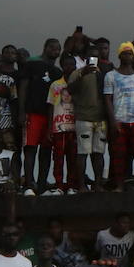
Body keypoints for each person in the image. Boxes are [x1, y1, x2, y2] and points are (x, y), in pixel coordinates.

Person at [103, 42, 134, 189]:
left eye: (130, 53)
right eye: (124, 53)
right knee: (119, 155)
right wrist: (113, 121)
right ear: (119, 55)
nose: (127, 56)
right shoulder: (111, 76)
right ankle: (119, 185)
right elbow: (107, 100)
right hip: (120, 120)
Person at [18, 38, 62, 194]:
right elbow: (23, 87)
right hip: (32, 113)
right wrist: (22, 111)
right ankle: (30, 183)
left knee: (46, 150)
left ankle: (42, 184)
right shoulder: (31, 64)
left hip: (50, 116)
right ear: (45, 47)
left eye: (58, 49)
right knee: (30, 148)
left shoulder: (58, 72)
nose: (55, 51)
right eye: (52, 48)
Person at [68, 56, 106, 191]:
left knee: (99, 153)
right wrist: (83, 74)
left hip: (101, 119)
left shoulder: (103, 72)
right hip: (83, 118)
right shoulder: (77, 73)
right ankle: (82, 185)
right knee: (82, 153)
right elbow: (70, 90)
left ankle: (98, 184)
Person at [45, 53, 79, 194]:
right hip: (58, 127)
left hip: (74, 127)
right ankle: (59, 185)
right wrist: (49, 128)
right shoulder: (55, 85)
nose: (69, 67)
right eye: (66, 64)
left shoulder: (78, 84)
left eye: (72, 64)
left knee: (73, 158)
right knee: (58, 158)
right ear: (62, 66)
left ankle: (71, 185)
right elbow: (51, 106)